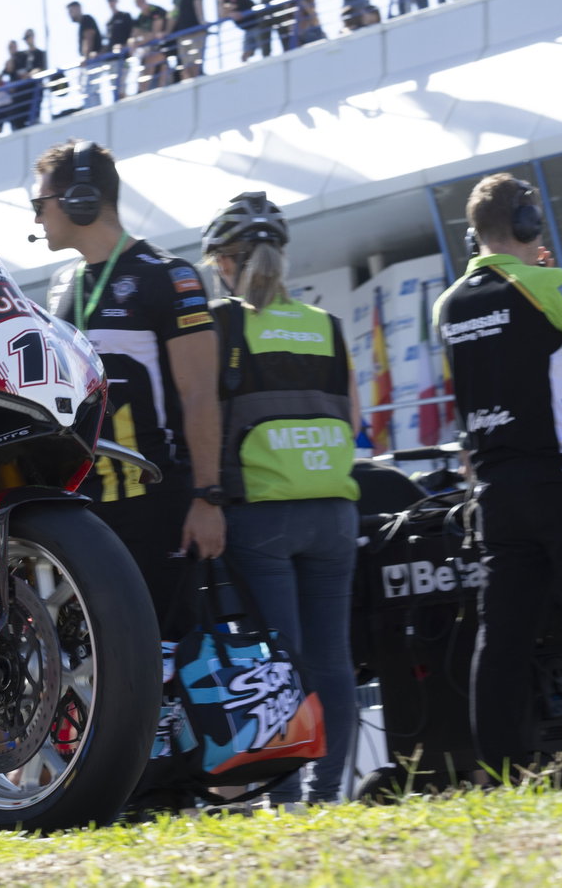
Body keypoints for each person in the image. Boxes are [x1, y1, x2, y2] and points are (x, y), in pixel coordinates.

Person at [434, 174, 562, 774]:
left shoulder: (447, 303)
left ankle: (499, 774)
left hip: (494, 490)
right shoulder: (550, 282)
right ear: (526, 225)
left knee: (503, 638)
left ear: (474, 235)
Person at [199, 193, 361, 806]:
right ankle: (328, 796)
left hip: (262, 513)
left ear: (226, 264)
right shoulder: (328, 327)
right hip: (335, 512)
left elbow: (205, 420)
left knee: (280, 664)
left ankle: (284, 798)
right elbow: (354, 417)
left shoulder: (224, 324)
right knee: (332, 661)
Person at [33, 140, 221, 628]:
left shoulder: (169, 276)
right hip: (86, 513)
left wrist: (208, 499)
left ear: (80, 199)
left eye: (41, 204)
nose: (37, 219)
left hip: (159, 507)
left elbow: (201, 395)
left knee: (167, 659)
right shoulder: (61, 285)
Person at [170, 0, 206, 78]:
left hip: (195, 28)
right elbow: (175, 10)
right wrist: (168, 30)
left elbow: (198, 3)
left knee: (195, 62)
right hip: (182, 31)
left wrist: (202, 22)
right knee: (185, 65)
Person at [67, 1, 104, 109]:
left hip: (92, 61)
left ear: (78, 9)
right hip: (89, 61)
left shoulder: (86, 20)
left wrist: (85, 57)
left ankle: (95, 111)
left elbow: (89, 38)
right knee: (88, 89)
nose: (70, 14)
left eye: (71, 11)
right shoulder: (83, 23)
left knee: (89, 89)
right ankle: (95, 109)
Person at [103, 0, 135, 102]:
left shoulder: (125, 16)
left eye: (112, 0)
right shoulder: (108, 23)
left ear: (117, 1)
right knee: (115, 89)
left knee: (121, 87)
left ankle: (126, 105)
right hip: (111, 60)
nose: (111, 2)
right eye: (109, 0)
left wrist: (125, 46)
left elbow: (132, 35)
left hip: (124, 58)